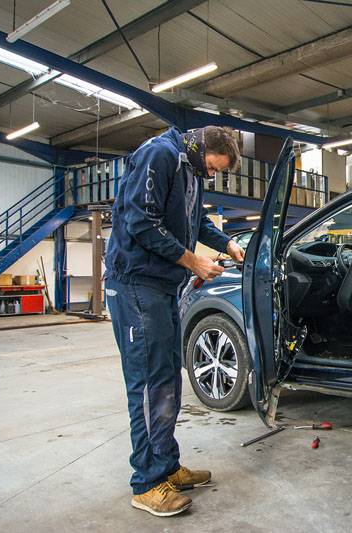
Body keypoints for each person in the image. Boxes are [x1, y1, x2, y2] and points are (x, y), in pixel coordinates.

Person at [104, 125, 245, 517]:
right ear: (203, 149)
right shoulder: (160, 154)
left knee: (167, 377)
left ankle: (166, 466)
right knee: (149, 383)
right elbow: (141, 222)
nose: (213, 175)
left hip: (162, 285)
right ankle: (146, 483)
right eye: (214, 167)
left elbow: (195, 222)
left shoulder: (190, 171)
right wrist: (192, 260)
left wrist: (227, 244)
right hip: (135, 284)